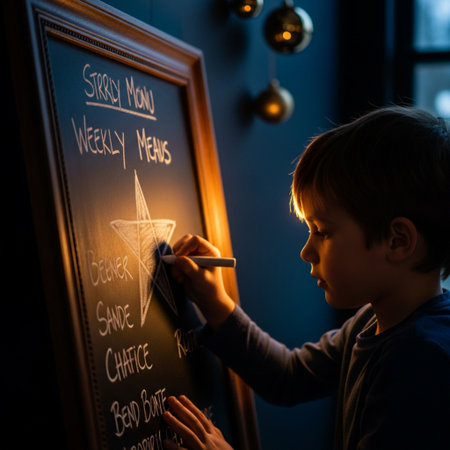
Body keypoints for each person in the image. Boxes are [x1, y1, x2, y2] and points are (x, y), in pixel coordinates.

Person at [162, 106, 450, 450]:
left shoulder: (425, 363)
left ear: (397, 241)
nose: (306, 251)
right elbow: (288, 377)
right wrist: (215, 300)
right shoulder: (372, 320)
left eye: (322, 232)